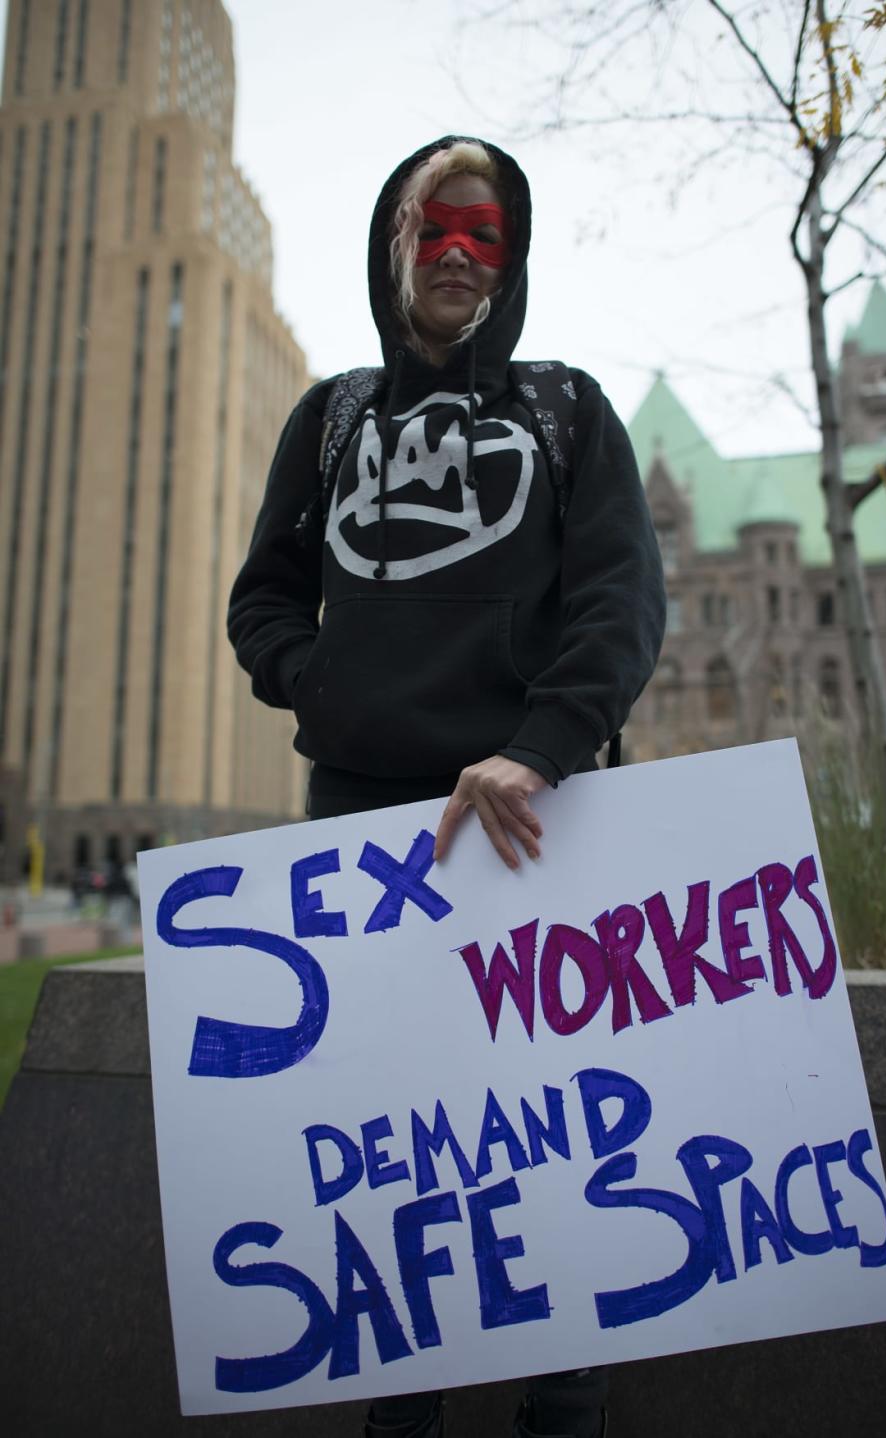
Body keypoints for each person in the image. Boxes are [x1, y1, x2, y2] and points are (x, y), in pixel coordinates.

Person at [228, 136, 665, 1438]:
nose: (459, 253)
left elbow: (620, 599)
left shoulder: (567, 408)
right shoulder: (333, 418)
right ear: (393, 243)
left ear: (510, 253)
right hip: (364, 840)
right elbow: (262, 598)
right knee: (390, 1166)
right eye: (436, 226)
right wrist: (328, 690)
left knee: (551, 1154)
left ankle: (565, 1407)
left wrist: (539, 741)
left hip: (540, 828)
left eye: (485, 230)